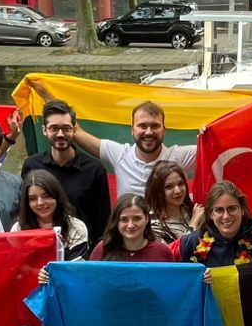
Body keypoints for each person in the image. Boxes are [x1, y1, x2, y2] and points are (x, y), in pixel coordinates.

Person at [42, 89, 197, 198]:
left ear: (164, 130)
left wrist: (206, 133)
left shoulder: (178, 156)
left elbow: (212, 146)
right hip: (130, 231)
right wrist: (44, 93)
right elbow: (77, 132)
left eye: (155, 126)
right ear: (132, 130)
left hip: (170, 233)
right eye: (142, 126)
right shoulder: (120, 154)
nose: (149, 132)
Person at [20, 100, 112, 243]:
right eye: (54, 128)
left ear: (74, 130)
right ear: (44, 130)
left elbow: (103, 221)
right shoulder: (32, 165)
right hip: (39, 245)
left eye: (66, 128)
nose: (60, 134)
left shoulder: (94, 169)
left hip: (82, 248)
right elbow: (25, 209)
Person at [175, 181, 252, 266]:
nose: (226, 216)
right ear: (210, 214)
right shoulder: (192, 242)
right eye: (219, 210)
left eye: (232, 208)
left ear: (242, 210)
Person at [16, 170, 90, 260]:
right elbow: (16, 264)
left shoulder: (76, 228)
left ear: (57, 196)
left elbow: (75, 267)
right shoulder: (18, 229)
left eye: (46, 196)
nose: (40, 203)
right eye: (33, 199)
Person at [89, 194, 175, 261]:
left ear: (147, 219)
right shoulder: (103, 249)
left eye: (137, 218)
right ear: (116, 222)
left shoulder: (161, 251)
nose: (130, 225)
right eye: (124, 219)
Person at [145, 160, 201, 243]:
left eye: (180, 183)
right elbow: (172, 250)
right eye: (169, 187)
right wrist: (193, 224)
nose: (178, 191)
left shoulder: (191, 208)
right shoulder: (152, 224)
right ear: (157, 190)